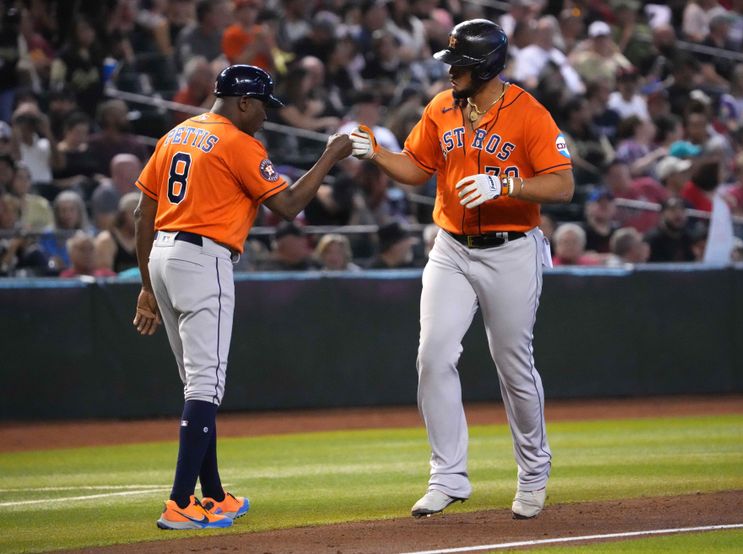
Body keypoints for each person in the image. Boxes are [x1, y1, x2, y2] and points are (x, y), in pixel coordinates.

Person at [349, 19, 574, 519]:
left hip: (512, 249)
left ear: (487, 66)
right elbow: (415, 168)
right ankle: (448, 476)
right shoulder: (441, 107)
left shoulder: (528, 113)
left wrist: (507, 186)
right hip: (451, 246)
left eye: (460, 64)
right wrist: (378, 155)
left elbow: (562, 185)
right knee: (432, 356)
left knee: (512, 364)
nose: (451, 71)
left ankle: (534, 470)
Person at [132, 64, 351, 530]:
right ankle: (179, 503)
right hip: (202, 259)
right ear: (243, 102)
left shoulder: (175, 134)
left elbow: (141, 213)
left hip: (163, 258)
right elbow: (289, 206)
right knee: (206, 385)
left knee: (196, 383)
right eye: (263, 108)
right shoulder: (237, 142)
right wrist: (331, 156)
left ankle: (212, 495)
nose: (266, 118)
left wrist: (147, 288)